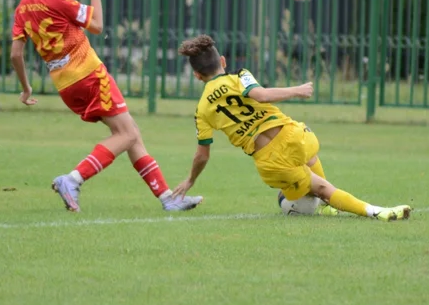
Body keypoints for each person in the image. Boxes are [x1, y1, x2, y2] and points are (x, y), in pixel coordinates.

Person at [9, 0, 202, 213]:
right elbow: (97, 25)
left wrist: (26, 88)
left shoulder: (23, 8)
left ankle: (167, 197)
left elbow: (16, 54)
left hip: (65, 85)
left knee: (131, 133)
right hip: (88, 75)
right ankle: (73, 179)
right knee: (126, 133)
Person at [171, 35, 412, 222]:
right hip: (295, 136)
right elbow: (262, 95)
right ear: (222, 61)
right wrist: (297, 89)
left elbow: (202, 154)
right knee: (311, 159)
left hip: (269, 161)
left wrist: (191, 180)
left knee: (320, 189)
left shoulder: (201, 109)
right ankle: (359, 209)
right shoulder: (239, 76)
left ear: (196, 75)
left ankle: (368, 210)